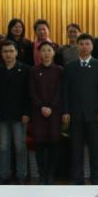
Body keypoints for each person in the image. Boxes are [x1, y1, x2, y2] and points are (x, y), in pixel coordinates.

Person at [63, 34, 98, 185]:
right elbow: (65, 91)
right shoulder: (70, 66)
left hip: (94, 115)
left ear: (92, 46)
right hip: (75, 114)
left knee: (95, 149)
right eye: (81, 44)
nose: (84, 47)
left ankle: (96, 179)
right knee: (76, 150)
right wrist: (66, 111)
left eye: (87, 44)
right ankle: (77, 179)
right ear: (77, 46)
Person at [0, 39, 30, 184]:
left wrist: (27, 113)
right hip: (2, 115)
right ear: (1, 53)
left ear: (16, 52)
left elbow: (28, 94)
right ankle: (4, 175)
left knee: (20, 147)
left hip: (20, 115)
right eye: (5, 51)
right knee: (4, 147)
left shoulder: (25, 70)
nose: (8, 54)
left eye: (11, 51)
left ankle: (21, 175)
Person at [29, 41, 63, 184]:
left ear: (53, 53)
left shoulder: (60, 70)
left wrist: (52, 106)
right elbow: (32, 91)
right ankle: (42, 174)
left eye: (49, 50)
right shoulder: (33, 70)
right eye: (43, 51)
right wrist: (41, 106)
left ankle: (51, 174)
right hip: (39, 113)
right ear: (39, 53)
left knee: (54, 144)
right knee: (40, 144)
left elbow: (61, 90)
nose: (46, 53)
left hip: (55, 112)